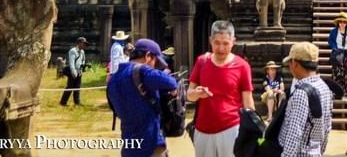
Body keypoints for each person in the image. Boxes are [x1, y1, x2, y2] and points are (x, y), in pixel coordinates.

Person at [187, 20, 255, 157]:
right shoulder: (201, 62)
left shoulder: (242, 66)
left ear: (233, 42)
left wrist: (252, 128)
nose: (221, 48)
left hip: (231, 127)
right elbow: (189, 95)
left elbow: (248, 102)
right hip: (202, 128)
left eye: (225, 43)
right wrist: (197, 93)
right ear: (210, 41)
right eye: (217, 43)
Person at [107, 37, 179, 157]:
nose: (155, 66)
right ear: (148, 56)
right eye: (155, 62)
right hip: (151, 144)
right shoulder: (143, 71)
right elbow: (171, 83)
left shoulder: (114, 79)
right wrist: (164, 72)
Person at [280, 42, 334, 157]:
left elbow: (294, 134)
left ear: (294, 64)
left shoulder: (301, 93)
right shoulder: (325, 88)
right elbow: (327, 127)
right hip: (314, 151)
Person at [60, 37, 88, 106]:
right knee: (70, 87)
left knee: (77, 87)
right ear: (79, 43)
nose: (85, 45)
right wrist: (73, 72)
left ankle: (77, 102)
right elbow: (71, 62)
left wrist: (84, 66)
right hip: (73, 72)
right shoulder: (73, 51)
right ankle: (63, 102)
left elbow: (83, 60)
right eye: (83, 43)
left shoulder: (82, 52)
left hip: (79, 71)